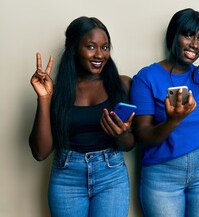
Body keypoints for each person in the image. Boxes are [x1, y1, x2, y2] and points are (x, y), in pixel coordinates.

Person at [130, 8, 199, 217]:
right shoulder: (146, 78)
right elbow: (142, 136)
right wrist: (173, 121)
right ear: (173, 35)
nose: (195, 45)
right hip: (162, 175)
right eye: (188, 35)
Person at [29, 16, 136, 217]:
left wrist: (122, 134)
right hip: (66, 177)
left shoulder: (122, 85)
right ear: (74, 49)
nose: (99, 55)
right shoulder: (58, 92)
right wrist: (44, 99)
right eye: (91, 46)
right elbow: (40, 152)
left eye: (105, 47)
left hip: (111, 176)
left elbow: (129, 144)